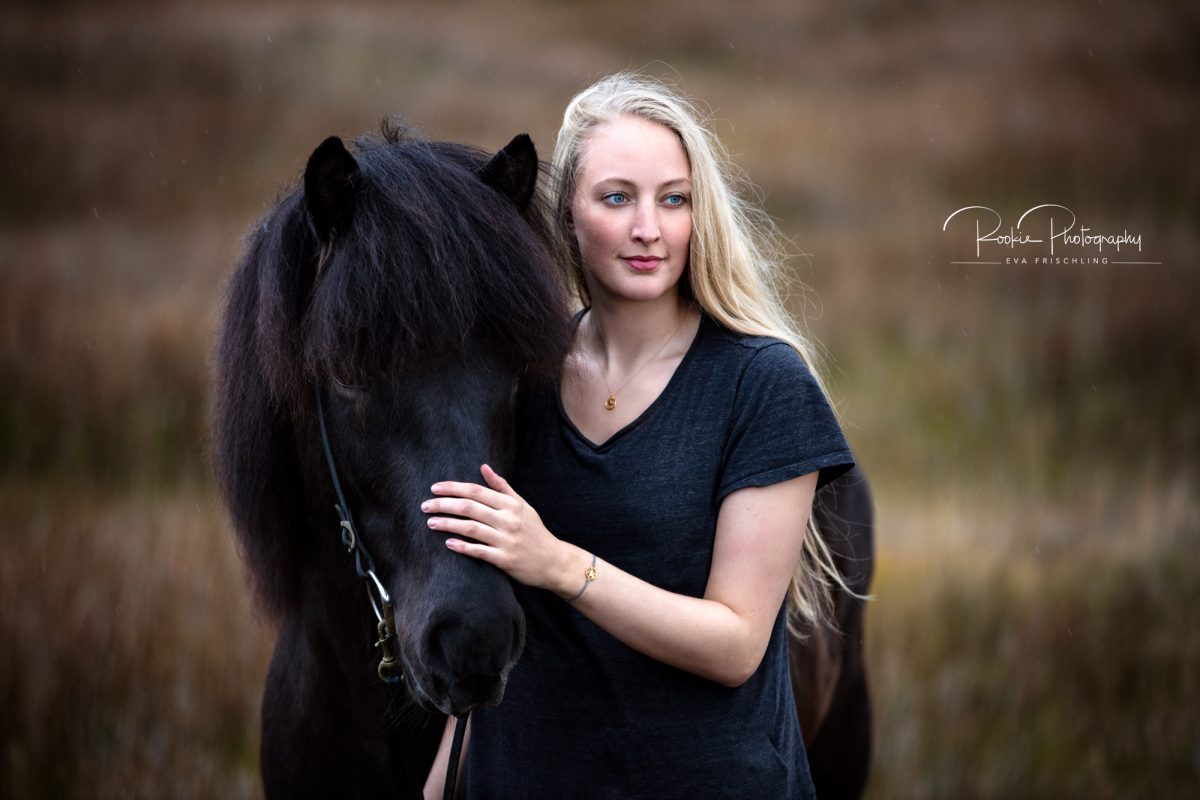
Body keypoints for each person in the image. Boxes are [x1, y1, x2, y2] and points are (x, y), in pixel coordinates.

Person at [422, 72, 854, 799]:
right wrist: (438, 789)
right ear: (567, 214)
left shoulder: (763, 383)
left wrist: (559, 565)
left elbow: (736, 644)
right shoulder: (518, 382)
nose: (648, 228)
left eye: (673, 199)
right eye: (617, 198)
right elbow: (482, 593)